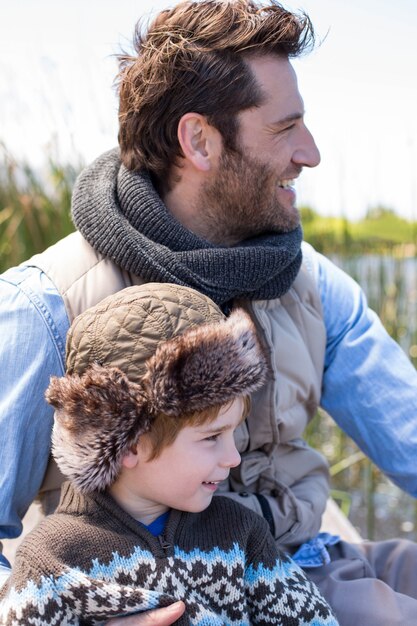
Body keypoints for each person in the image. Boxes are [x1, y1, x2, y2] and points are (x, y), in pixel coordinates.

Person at [1, 0, 417, 624]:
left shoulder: (311, 284)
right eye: (285, 128)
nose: (310, 153)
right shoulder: (43, 306)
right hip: (175, 594)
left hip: (303, 557)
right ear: (199, 140)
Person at [0, 283, 339, 626]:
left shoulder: (241, 535)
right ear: (129, 443)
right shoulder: (52, 563)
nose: (233, 458)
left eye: (233, 432)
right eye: (212, 438)